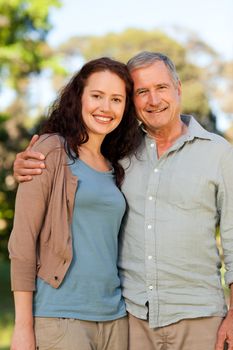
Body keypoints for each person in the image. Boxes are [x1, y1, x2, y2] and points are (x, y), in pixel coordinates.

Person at [13, 51, 233, 350]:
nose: (153, 100)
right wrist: (25, 164)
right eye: (142, 91)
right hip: (121, 318)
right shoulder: (100, 151)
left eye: (161, 88)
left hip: (178, 318)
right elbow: (27, 238)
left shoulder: (216, 153)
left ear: (178, 88)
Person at [8, 56, 141, 350]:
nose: (106, 108)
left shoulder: (116, 165)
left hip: (114, 318)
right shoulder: (50, 150)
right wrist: (22, 328)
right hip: (61, 317)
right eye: (97, 96)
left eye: (116, 99)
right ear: (78, 97)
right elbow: (23, 242)